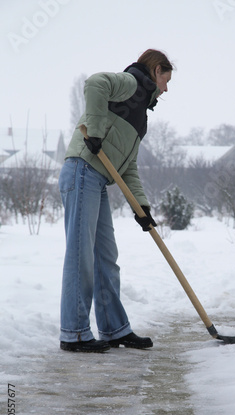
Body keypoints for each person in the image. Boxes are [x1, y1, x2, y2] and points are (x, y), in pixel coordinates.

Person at [58, 49, 173, 353]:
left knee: (106, 259)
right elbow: (95, 83)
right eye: (166, 79)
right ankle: (75, 333)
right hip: (82, 171)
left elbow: (128, 166)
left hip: (97, 180)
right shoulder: (132, 82)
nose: (166, 88)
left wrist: (142, 207)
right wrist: (94, 132)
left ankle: (113, 328)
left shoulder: (140, 117)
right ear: (156, 70)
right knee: (81, 256)